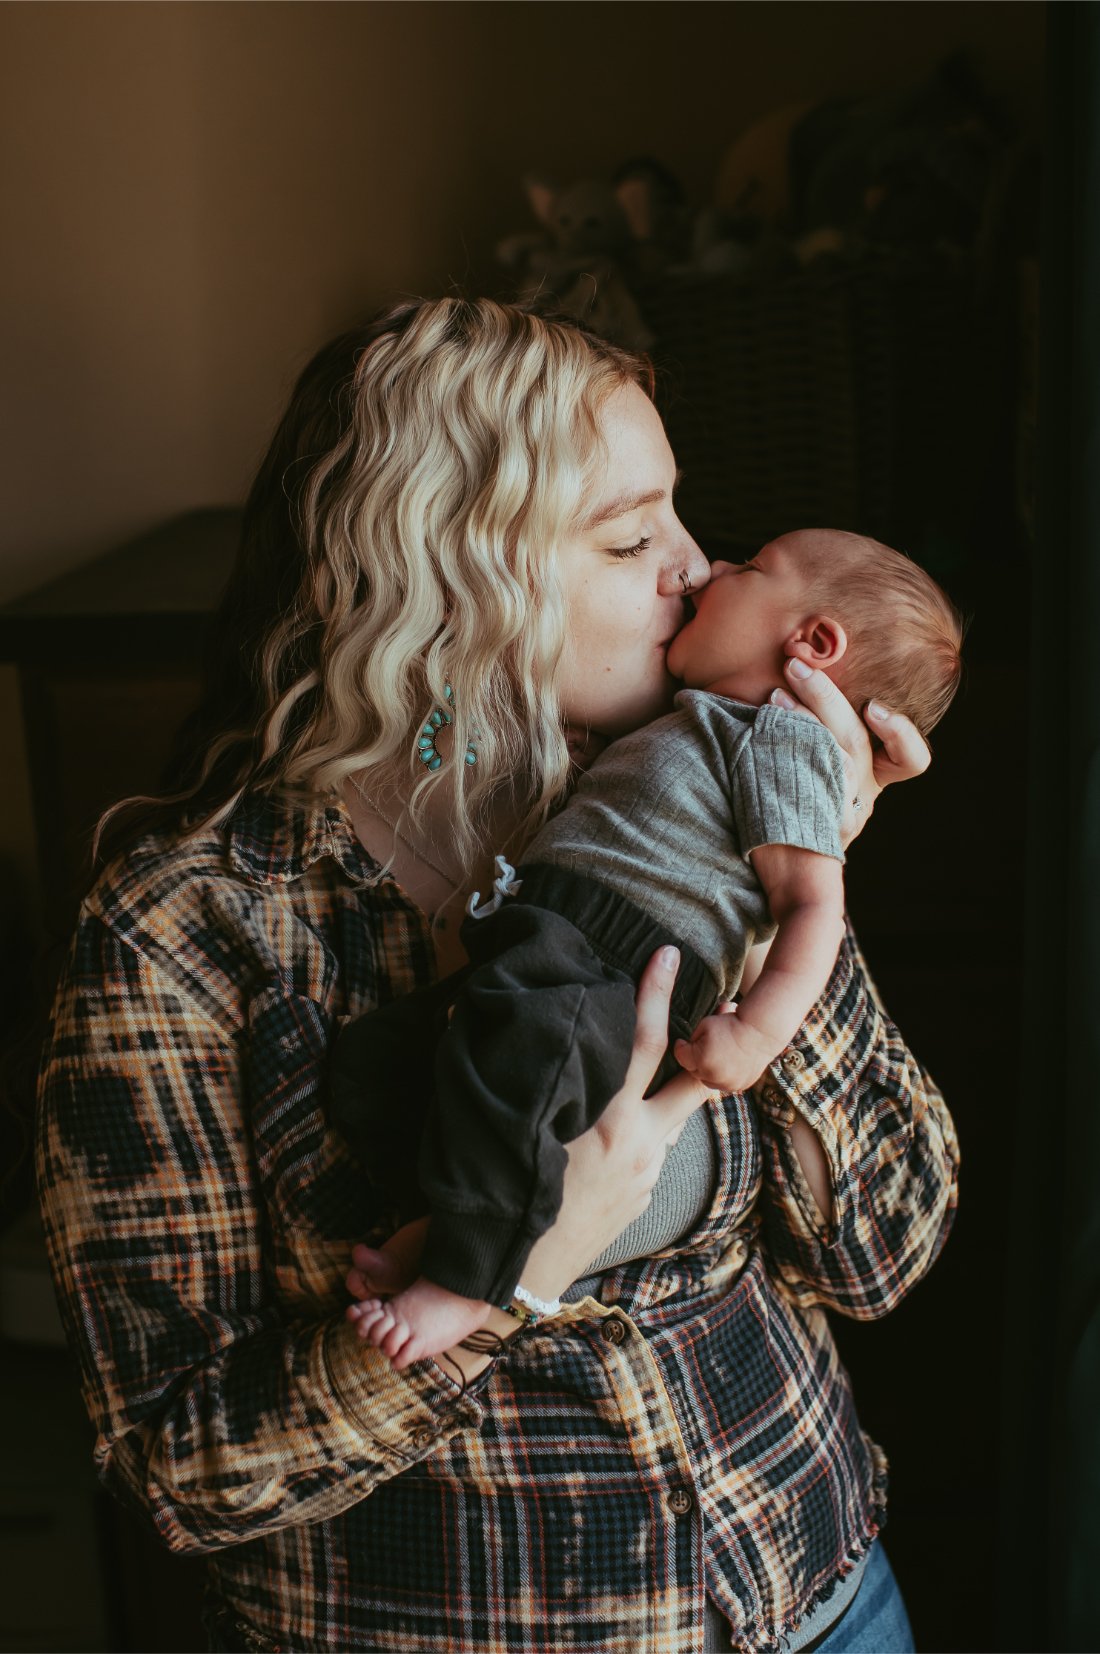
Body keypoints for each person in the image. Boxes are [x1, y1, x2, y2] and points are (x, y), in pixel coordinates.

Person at [35, 297, 958, 1654]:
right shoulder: (189, 928)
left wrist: (787, 886)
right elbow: (185, 1471)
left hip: (827, 1603)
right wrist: (517, 1275)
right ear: (448, 572)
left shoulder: (683, 796)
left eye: (682, 521)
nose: (696, 570)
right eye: (631, 536)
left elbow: (888, 1247)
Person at [333, 527, 963, 1369]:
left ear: (814, 644)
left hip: (621, 958)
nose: (704, 566)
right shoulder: (699, 724)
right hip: (553, 930)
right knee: (393, 1067)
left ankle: (464, 1283)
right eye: (630, 537)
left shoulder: (780, 739)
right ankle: (444, 1234)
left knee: (524, 1067)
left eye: (748, 568)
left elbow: (811, 902)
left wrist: (761, 1023)